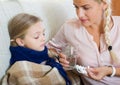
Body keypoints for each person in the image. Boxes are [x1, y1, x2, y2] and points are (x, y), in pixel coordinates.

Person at [47, 0, 120, 84]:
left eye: (86, 8)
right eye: (76, 7)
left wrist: (111, 71)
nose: (79, 14)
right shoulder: (70, 27)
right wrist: (60, 57)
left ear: (104, 4)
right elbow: (49, 48)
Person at [1, 13, 71, 85]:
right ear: (21, 42)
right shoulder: (20, 67)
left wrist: (60, 60)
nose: (43, 39)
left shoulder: (48, 54)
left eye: (43, 33)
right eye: (36, 36)